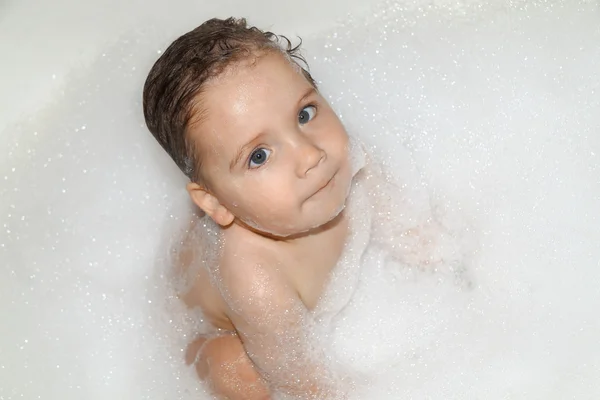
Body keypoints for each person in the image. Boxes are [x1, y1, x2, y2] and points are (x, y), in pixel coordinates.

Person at [143, 17, 449, 400]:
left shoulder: (347, 160)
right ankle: (199, 358)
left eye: (304, 114)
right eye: (259, 156)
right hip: (223, 330)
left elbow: (408, 227)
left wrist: (444, 258)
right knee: (237, 372)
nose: (309, 154)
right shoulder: (255, 280)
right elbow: (302, 380)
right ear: (217, 204)